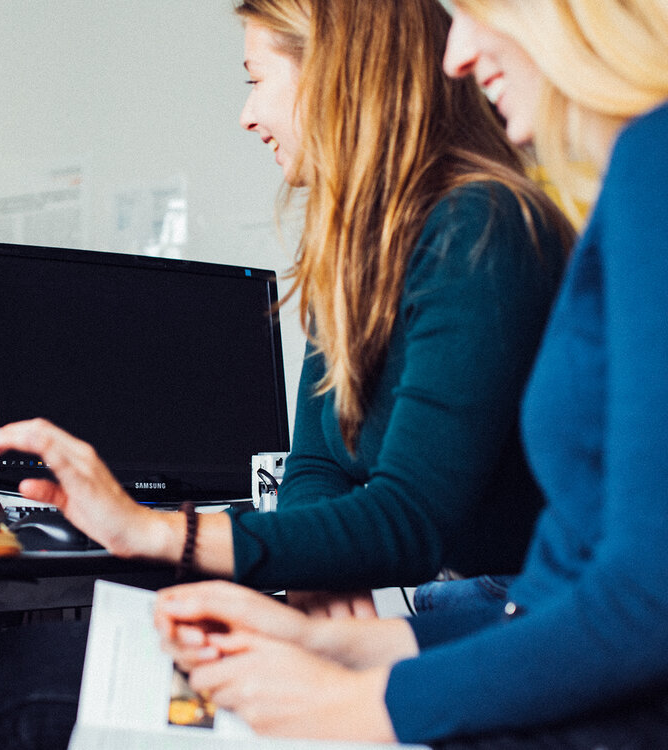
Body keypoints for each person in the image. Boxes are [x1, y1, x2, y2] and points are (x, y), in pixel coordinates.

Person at [153, 0, 668, 746]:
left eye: (472, 12)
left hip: (583, 683)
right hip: (531, 639)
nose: (453, 54)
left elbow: (636, 605)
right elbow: (565, 599)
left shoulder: (619, 176)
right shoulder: (630, 179)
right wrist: (350, 646)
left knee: (35, 692)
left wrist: (355, 704)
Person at [0, 0, 571, 616]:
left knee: (32, 693)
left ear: (339, 73)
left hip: (526, 608)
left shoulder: (480, 227)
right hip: (455, 600)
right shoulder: (347, 256)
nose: (247, 116)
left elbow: (413, 518)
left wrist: (153, 530)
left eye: (255, 81)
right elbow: (315, 466)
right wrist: (313, 562)